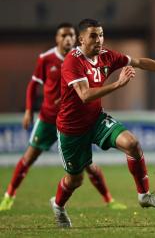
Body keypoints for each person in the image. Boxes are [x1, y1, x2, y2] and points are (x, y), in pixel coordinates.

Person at [50, 18, 155, 228]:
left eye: (101, 34)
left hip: (96, 120)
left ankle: (144, 195)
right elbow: (84, 95)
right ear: (81, 39)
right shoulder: (72, 61)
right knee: (75, 180)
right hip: (72, 129)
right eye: (93, 36)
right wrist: (118, 84)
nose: (99, 40)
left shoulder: (106, 56)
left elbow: (140, 62)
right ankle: (58, 206)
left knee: (132, 143)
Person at [0, 23, 126, 211]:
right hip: (48, 119)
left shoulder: (79, 58)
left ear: (76, 38)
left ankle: (109, 199)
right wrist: (28, 110)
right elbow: (33, 85)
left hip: (72, 122)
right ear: (57, 38)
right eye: (63, 35)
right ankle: (9, 196)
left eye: (70, 35)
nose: (67, 39)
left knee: (89, 167)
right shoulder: (46, 59)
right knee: (28, 158)